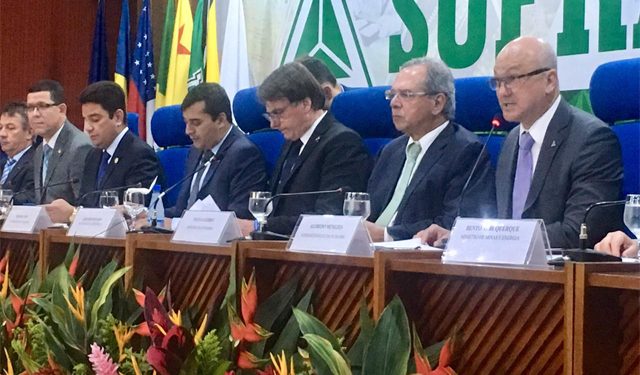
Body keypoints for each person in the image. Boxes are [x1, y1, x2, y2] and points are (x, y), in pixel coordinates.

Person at [416, 37, 623, 248]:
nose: (503, 92)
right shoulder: (512, 140)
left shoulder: (591, 139)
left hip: (559, 274)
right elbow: (501, 224)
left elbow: (580, 232)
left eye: (513, 79)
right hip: (507, 273)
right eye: (497, 82)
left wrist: (495, 242)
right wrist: (459, 237)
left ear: (549, 81)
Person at [366, 57, 495, 241]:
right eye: (392, 94)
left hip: (415, 261)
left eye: (406, 94)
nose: (394, 103)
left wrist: (386, 235)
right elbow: (368, 211)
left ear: (437, 103)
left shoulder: (466, 151)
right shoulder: (390, 151)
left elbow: (453, 223)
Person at [237, 62, 371, 236]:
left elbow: (329, 218)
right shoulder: (292, 140)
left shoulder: (343, 143)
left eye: (278, 113)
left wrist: (260, 226)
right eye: (269, 115)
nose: (273, 123)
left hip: (316, 255)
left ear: (306, 104)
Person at [44, 81, 162, 222]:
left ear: (117, 117)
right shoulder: (93, 155)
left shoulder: (140, 155)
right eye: (85, 120)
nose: (87, 127)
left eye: (95, 119)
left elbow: (135, 213)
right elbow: (86, 203)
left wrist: (74, 214)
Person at [165, 82, 268, 220]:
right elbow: (182, 210)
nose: (188, 131)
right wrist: (150, 216)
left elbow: (237, 218)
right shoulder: (196, 151)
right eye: (186, 122)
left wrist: (175, 225)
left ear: (220, 120)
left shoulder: (244, 154)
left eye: (196, 123)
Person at [27, 79, 92, 204]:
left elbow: (86, 203)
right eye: (30, 108)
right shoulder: (40, 150)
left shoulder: (79, 147)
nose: (35, 114)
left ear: (62, 110)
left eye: (42, 106)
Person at [0, 102, 36, 204]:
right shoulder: (3, 163)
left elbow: (31, 197)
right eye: (0, 128)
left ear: (29, 133)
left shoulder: (36, 163)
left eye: (10, 128)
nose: (2, 134)